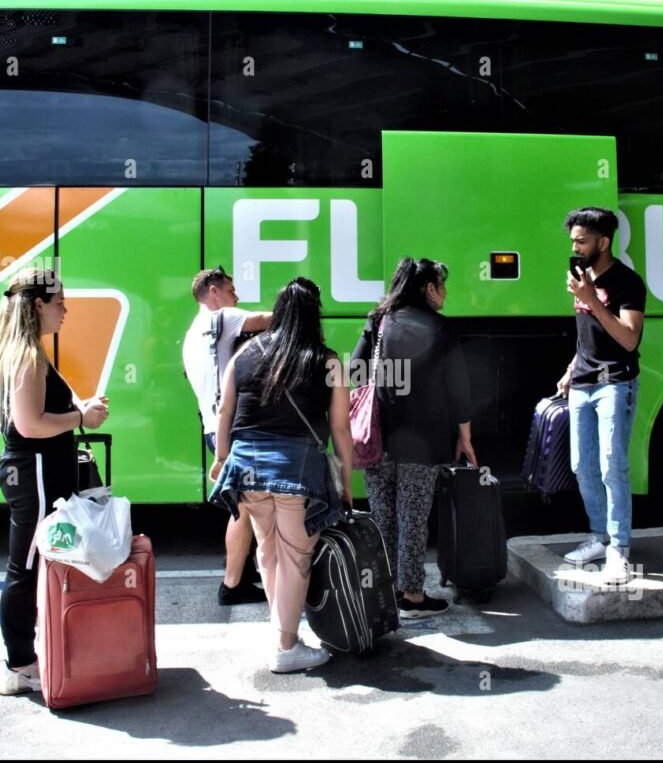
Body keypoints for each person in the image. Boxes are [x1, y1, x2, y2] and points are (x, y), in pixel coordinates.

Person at [210, 277, 351, 673]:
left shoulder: (245, 353)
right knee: (296, 558)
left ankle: (283, 635)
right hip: (297, 470)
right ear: (313, 316)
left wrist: (222, 458)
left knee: (269, 553)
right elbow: (340, 427)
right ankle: (286, 648)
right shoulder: (326, 360)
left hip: (248, 467)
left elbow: (225, 411)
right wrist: (345, 479)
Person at [0, 266, 109, 695]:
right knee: (27, 567)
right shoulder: (28, 356)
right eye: (59, 304)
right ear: (38, 306)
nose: (65, 311)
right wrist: (81, 417)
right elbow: (30, 424)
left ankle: (31, 658)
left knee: (35, 565)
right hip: (33, 471)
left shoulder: (22, 351)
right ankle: (20, 665)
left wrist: (79, 411)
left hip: (34, 470)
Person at [351, 258, 475, 618]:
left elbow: (357, 370)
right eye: (442, 285)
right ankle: (413, 597)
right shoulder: (440, 327)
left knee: (383, 518)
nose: (445, 292)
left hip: (377, 438)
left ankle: (385, 592)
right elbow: (458, 388)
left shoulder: (378, 320)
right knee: (413, 518)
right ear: (428, 289)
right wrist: (464, 435)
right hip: (424, 439)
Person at [556, 207, 646, 584]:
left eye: (581, 241)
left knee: (613, 466)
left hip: (615, 383)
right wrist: (570, 369)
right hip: (583, 382)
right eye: (573, 240)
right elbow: (588, 335)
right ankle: (599, 536)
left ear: (603, 242)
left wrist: (591, 298)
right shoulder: (584, 279)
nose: (575, 247)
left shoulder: (627, 282)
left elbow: (629, 338)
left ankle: (619, 550)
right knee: (583, 467)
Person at [182, 267, 271, 605]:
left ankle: (242, 577)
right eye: (232, 290)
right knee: (246, 508)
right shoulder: (220, 318)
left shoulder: (195, 333)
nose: (237, 297)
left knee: (245, 505)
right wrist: (297, 307)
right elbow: (267, 319)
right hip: (229, 431)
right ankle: (232, 585)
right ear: (214, 291)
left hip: (214, 428)